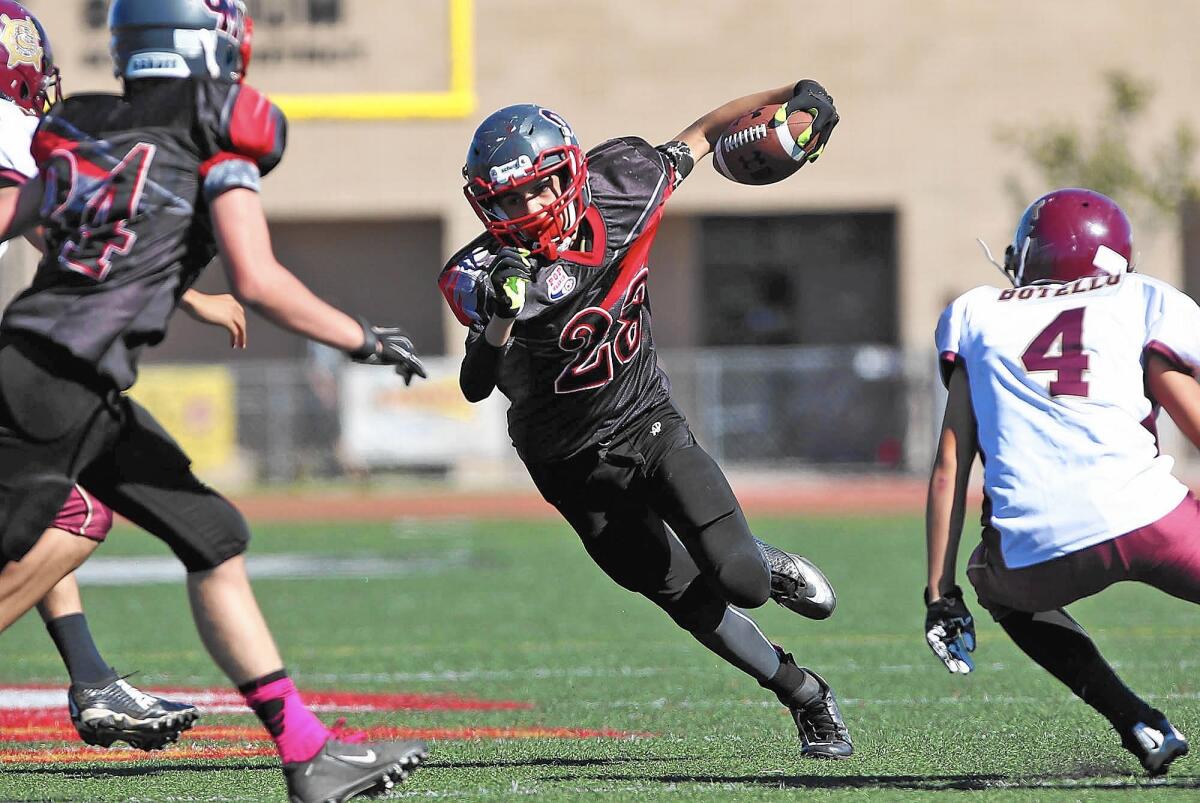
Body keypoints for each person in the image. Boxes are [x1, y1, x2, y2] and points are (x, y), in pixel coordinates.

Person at [0, 2, 427, 800]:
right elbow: (259, 281)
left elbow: (19, 216)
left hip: (72, 386)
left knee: (214, 533)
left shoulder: (86, 125)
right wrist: (363, 339)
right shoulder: (221, 128)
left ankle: (307, 753)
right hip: (50, 392)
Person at [439, 85, 852, 758]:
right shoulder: (480, 273)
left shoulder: (625, 185)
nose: (525, 210)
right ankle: (806, 693)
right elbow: (474, 383)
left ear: (571, 176)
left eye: (536, 190)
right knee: (686, 599)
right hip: (573, 470)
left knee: (741, 579)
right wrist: (499, 315)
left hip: (646, 422)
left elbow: (706, 130)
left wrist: (795, 97)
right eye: (506, 200)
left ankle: (760, 560)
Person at [0, 0, 256, 751]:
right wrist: (197, 293)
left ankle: (90, 675)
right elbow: (55, 217)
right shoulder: (12, 121)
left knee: (40, 500)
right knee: (76, 513)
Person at [924, 187, 1200, 777]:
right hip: (1154, 517)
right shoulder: (1141, 297)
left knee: (991, 584)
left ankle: (1138, 723)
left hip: (1035, 550)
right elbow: (1191, 414)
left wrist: (939, 593)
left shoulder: (977, 313)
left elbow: (951, 462)